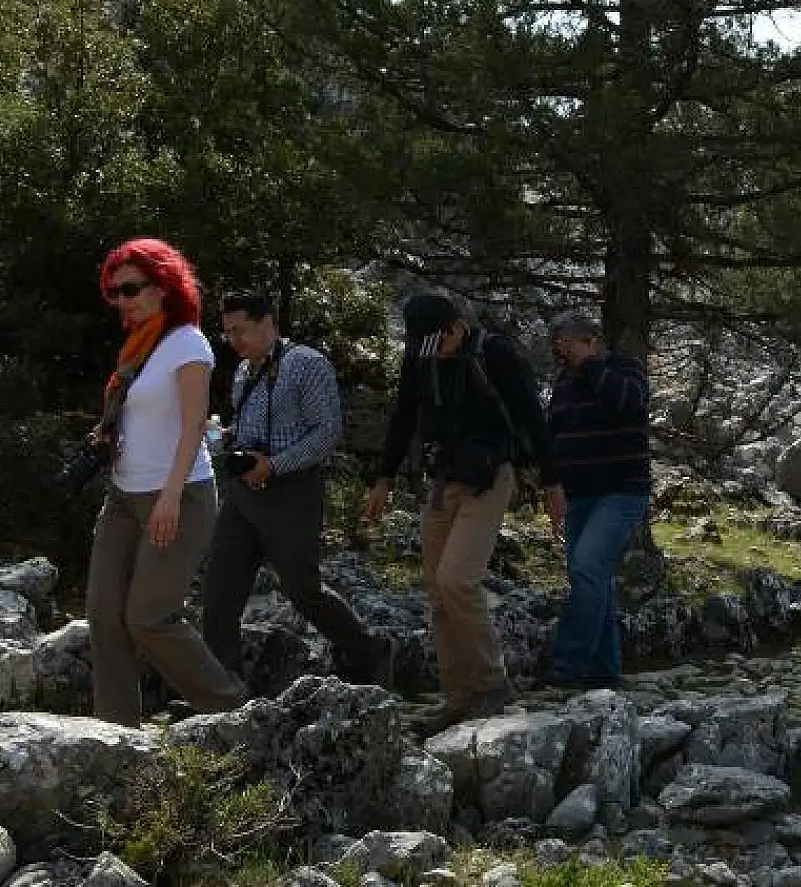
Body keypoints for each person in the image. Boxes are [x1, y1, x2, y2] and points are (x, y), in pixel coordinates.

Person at [364, 293, 563, 735]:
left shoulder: (496, 355)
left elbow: (533, 418)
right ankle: (458, 696)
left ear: (457, 326)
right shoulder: (421, 354)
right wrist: (385, 478)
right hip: (442, 479)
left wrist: (552, 484)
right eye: (425, 344)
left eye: (441, 341)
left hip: (491, 477)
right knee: (437, 591)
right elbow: (404, 415)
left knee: (458, 578)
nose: (434, 351)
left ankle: (493, 685)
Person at [85, 238, 249, 726]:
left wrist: (171, 497)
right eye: (114, 293)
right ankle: (116, 734)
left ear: (163, 286)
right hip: (123, 495)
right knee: (103, 614)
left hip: (178, 494)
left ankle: (233, 710)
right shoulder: (138, 348)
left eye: (131, 289)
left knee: (149, 617)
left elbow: (195, 423)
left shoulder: (187, 343)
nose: (122, 301)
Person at [201, 292, 395, 689]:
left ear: (268, 324)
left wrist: (275, 463)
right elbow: (250, 429)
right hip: (244, 493)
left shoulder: (307, 365)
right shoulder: (243, 372)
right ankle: (220, 686)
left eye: (241, 330)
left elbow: (326, 433)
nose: (234, 340)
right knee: (220, 586)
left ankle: (367, 651)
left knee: (302, 590)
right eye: (228, 333)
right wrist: (226, 439)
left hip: (291, 492)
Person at [542, 309, 652, 690]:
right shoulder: (563, 383)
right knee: (593, 579)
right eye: (559, 349)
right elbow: (553, 432)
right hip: (578, 496)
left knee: (587, 567)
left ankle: (569, 666)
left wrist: (589, 368)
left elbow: (630, 402)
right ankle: (606, 669)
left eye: (568, 347)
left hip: (621, 491)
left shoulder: (624, 369)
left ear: (591, 341)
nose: (563, 356)